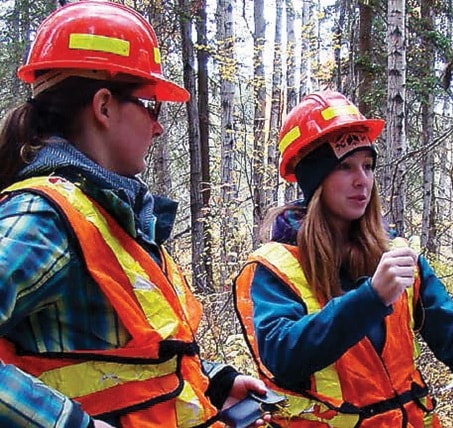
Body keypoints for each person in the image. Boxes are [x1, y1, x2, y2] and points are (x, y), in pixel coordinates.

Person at [0, 1, 269, 427]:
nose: (158, 126)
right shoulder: (43, 215)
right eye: (149, 105)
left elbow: (125, 361)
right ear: (104, 107)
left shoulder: (106, 215)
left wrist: (214, 382)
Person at [233, 90, 453, 427]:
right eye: (345, 167)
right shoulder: (276, 267)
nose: (362, 180)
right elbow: (282, 356)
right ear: (315, 181)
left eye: (368, 165)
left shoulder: (397, 256)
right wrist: (370, 298)